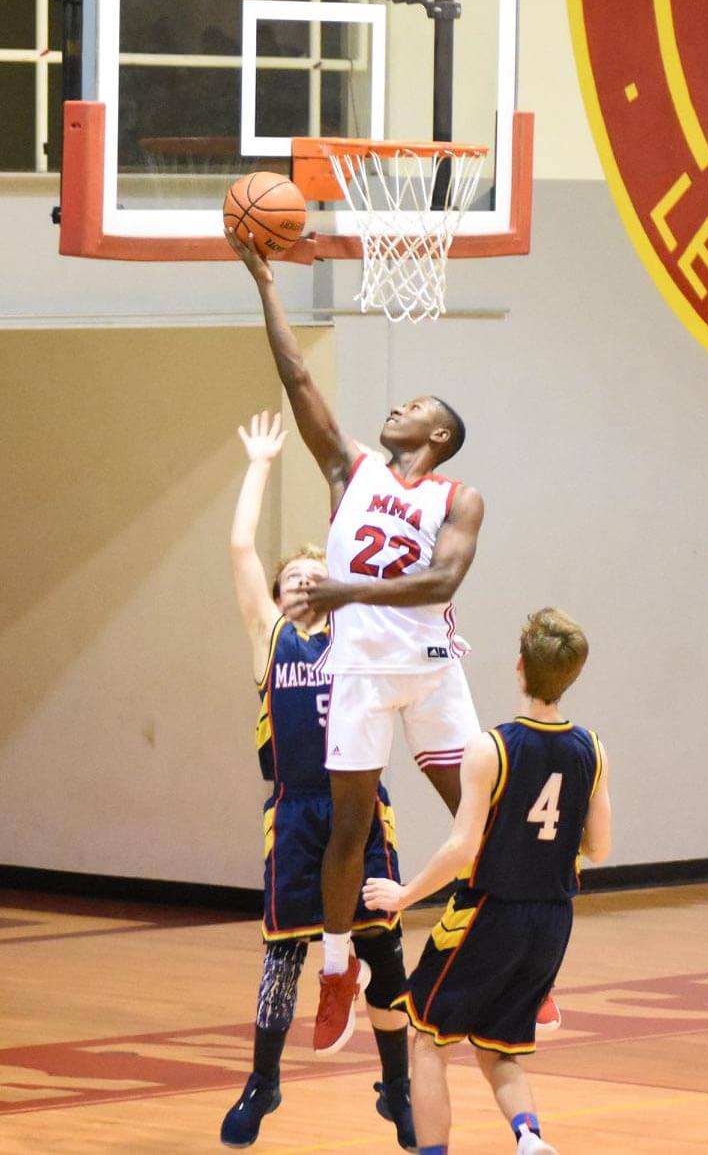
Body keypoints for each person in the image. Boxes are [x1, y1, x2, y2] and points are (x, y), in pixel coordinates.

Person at [226, 228, 486, 1056]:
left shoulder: (460, 497)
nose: (396, 409)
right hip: (364, 674)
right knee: (350, 828)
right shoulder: (350, 469)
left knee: (483, 817)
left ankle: (502, 948)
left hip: (433, 668)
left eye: (414, 407)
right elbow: (295, 372)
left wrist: (344, 590)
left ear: (438, 436)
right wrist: (264, 281)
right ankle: (338, 963)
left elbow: (442, 584)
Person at [220, 411, 416, 1150]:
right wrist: (263, 464)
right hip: (298, 813)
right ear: (278, 592)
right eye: (292, 577)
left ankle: (395, 1089)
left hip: (361, 812)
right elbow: (241, 545)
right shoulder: (269, 637)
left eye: (315, 575)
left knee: (383, 953)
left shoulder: (355, 632)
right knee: (283, 956)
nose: (304, 580)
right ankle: (262, 1082)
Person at [363, 607, 612, 1155]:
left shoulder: (490, 748)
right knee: (501, 1047)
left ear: (519, 668)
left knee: (427, 1040)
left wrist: (404, 895)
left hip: (489, 912)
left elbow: (461, 849)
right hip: (552, 919)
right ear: (570, 676)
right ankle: (528, 1137)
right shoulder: (591, 749)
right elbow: (599, 846)